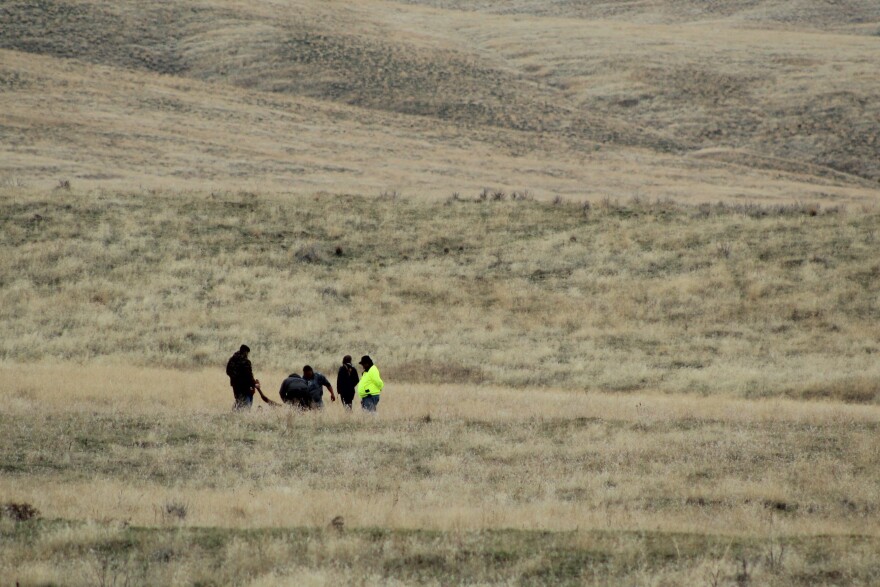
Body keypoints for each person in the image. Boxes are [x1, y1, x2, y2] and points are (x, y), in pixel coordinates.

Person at [226, 344, 258, 410]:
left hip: (235, 385)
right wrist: (254, 384)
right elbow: (248, 375)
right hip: (245, 386)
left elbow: (228, 371)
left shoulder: (232, 360)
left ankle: (235, 413)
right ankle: (243, 415)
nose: (247, 354)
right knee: (246, 403)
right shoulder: (245, 361)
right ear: (245, 352)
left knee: (238, 399)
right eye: (247, 353)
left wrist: (235, 378)